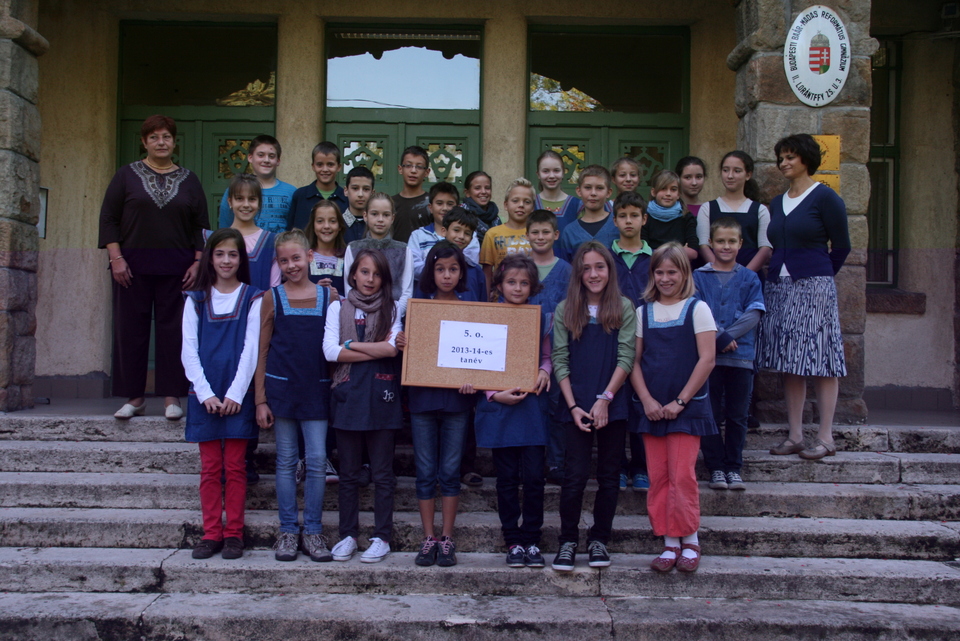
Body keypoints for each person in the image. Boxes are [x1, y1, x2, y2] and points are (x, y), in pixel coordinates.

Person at [99, 114, 208, 421]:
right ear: (144, 142)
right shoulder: (126, 175)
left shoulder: (189, 180)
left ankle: (172, 397)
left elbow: (201, 226)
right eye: (154, 137)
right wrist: (116, 259)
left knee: (174, 333)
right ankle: (135, 398)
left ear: (174, 142)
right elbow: (108, 219)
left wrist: (198, 263)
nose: (161, 142)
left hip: (179, 269)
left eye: (166, 137)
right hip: (130, 269)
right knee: (130, 331)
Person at [758, 133, 850, 461]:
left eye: (790, 157)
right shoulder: (777, 202)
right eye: (781, 157)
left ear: (806, 159)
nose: (783, 162)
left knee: (822, 358)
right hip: (780, 288)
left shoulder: (825, 197)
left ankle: (825, 437)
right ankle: (795, 435)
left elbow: (842, 246)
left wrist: (819, 275)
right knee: (789, 359)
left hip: (814, 286)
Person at [631, 243, 716, 573]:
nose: (665, 278)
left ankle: (690, 539)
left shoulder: (698, 309)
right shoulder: (643, 312)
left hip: (686, 409)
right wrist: (647, 401)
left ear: (684, 273)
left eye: (672, 272)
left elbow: (707, 359)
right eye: (659, 272)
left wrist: (680, 401)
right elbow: (634, 361)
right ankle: (669, 541)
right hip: (653, 410)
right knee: (659, 477)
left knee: (682, 476)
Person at [551, 242, 636, 572]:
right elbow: (560, 359)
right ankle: (568, 541)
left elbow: (626, 357)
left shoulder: (623, 307)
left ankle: (600, 539)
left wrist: (605, 399)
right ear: (578, 274)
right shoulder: (566, 309)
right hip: (576, 405)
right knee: (573, 477)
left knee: (609, 477)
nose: (593, 274)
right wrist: (573, 406)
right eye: (586, 268)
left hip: (612, 403)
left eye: (599, 266)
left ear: (609, 270)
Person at [181, 228, 263, 561]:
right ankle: (211, 533)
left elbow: (251, 349)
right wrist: (205, 394)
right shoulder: (196, 299)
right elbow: (188, 350)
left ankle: (234, 534)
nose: (226, 260)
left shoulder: (253, 297)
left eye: (233, 254)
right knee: (211, 468)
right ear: (210, 258)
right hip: (205, 397)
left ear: (241, 259)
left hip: (236, 396)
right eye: (219, 254)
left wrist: (235, 394)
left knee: (236, 467)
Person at [255, 230, 334, 562]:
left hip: (317, 390)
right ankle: (288, 530)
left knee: (316, 460)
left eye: (297, 258)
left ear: (310, 257)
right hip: (282, 391)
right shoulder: (272, 297)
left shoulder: (329, 297)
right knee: (286, 461)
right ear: (278, 263)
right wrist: (260, 399)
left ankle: (313, 531)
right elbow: (262, 351)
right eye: (284, 261)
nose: (291, 266)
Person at [399, 242, 477, 568]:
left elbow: (478, 356)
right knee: (425, 471)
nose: (446, 275)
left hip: (457, 401)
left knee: (449, 471)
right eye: (440, 269)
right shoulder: (416, 310)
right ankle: (428, 537)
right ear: (430, 272)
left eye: (453, 269)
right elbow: (408, 351)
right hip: (422, 399)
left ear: (461, 273)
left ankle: (447, 538)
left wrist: (474, 378)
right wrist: (401, 342)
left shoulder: (473, 311)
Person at [323, 249, 404, 563]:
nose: (370, 279)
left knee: (382, 473)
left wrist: (351, 345)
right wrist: (375, 348)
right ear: (353, 274)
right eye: (365, 272)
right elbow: (330, 352)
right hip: (347, 395)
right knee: (349, 474)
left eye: (377, 274)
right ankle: (348, 535)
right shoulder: (338, 307)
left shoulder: (392, 308)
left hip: (382, 395)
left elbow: (391, 350)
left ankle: (382, 537)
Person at [476, 254, 551, 568]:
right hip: (501, 408)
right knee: (506, 479)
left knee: (534, 478)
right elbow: (477, 359)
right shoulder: (487, 317)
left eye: (524, 283)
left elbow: (546, 356)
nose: (517, 288)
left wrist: (545, 370)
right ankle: (513, 541)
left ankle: (532, 539)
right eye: (511, 282)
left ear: (533, 286)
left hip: (531, 408)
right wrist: (494, 393)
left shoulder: (540, 318)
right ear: (499, 285)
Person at [694, 219, 765, 491]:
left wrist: (726, 336)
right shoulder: (699, 277)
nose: (726, 246)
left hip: (741, 358)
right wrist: (717, 336)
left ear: (740, 244)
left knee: (738, 415)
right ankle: (715, 467)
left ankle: (733, 467)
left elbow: (754, 312)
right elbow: (695, 308)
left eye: (731, 241)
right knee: (709, 413)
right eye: (720, 241)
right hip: (707, 358)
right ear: (710, 243)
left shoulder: (750, 277)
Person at [609, 190, 653, 493]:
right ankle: (618, 466)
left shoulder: (654, 258)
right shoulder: (606, 257)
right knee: (616, 403)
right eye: (623, 216)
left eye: (634, 215)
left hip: (646, 341)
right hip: (610, 338)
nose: (628, 221)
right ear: (614, 220)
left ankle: (641, 467)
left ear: (644, 219)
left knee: (640, 403)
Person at [525, 209, 572, 484]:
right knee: (527, 406)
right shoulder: (518, 267)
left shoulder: (567, 270)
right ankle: (528, 463)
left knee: (556, 406)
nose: (540, 237)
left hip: (557, 351)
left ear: (556, 235)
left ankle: (555, 463)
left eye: (546, 232)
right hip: (522, 351)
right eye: (535, 232)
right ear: (527, 235)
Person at [697, 151, 772, 272]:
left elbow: (765, 248)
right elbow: (704, 246)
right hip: (715, 276)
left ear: (748, 175)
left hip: (750, 278)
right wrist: (721, 271)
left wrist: (744, 275)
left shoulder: (760, 210)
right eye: (725, 170)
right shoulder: (707, 208)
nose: (730, 176)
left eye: (737, 171)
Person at [343, 192, 414, 317]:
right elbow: (349, 287)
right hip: (359, 317)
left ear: (392, 218)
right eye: (374, 214)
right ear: (365, 216)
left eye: (386, 215)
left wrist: (393, 316)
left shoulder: (403, 250)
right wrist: (362, 315)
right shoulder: (353, 248)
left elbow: (407, 291)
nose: (380, 219)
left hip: (393, 317)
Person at [217, 135, 296, 233]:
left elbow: (295, 230)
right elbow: (225, 227)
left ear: (278, 161)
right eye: (261, 155)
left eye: (271, 156)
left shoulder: (291, 192)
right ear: (250, 157)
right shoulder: (235, 189)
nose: (266, 160)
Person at [218, 173, 281, 293]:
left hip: (261, 303)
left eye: (252, 199)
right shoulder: (217, 240)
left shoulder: (271, 241)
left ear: (259, 203)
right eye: (239, 198)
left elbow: (274, 288)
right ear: (230, 202)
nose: (246, 205)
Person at [409, 182, 480, 282]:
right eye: (439, 203)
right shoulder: (418, 236)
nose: (445, 208)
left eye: (450, 204)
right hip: (426, 289)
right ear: (430, 208)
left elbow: (470, 265)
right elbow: (413, 268)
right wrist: (440, 267)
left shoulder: (469, 236)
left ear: (458, 207)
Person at [479, 178, 536, 296]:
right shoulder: (492, 234)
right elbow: (487, 273)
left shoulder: (537, 234)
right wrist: (486, 300)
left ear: (533, 207)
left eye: (527, 202)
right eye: (515, 201)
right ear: (506, 205)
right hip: (500, 298)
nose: (521, 205)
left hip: (532, 298)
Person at [556, 165, 619, 262]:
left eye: (599, 188)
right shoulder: (570, 232)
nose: (593, 193)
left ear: (608, 192)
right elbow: (567, 267)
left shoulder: (618, 225)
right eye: (588, 187)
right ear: (579, 191)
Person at [289, 142, 349, 231]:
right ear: (313, 166)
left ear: (339, 167)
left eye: (330, 164)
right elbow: (291, 230)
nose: (325, 169)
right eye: (320, 164)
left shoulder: (346, 198)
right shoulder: (300, 195)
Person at [645, 170, 699, 262]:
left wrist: (655, 251)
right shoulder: (645, 217)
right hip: (651, 266)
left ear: (678, 194)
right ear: (653, 192)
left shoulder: (686, 217)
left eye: (673, 189)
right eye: (663, 188)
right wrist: (680, 251)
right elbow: (643, 252)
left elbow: (693, 253)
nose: (668, 194)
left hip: (679, 267)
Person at [439, 207, 486, 304]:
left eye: (467, 233)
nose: (461, 236)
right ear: (444, 231)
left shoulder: (475, 271)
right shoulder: (432, 266)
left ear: (472, 238)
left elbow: (482, 305)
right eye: (456, 230)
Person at [305, 200, 347, 298]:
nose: (326, 226)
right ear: (313, 225)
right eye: (320, 221)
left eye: (332, 221)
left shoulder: (347, 256)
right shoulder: (304, 256)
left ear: (340, 226)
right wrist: (315, 292)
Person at [534, 150, 582, 233]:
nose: (551, 176)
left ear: (563, 172)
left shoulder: (577, 205)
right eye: (546, 171)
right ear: (538, 174)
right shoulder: (530, 204)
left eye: (556, 170)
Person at [391, 145, 432, 243]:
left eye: (419, 166)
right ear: (400, 169)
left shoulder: (433, 203)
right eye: (408, 165)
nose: (413, 171)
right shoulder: (390, 203)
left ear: (426, 172)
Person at [461, 170, 500, 245]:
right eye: (477, 188)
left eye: (487, 188)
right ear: (467, 193)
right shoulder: (460, 215)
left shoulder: (496, 217)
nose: (483, 192)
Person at [342, 166, 375, 243]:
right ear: (346, 191)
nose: (360, 194)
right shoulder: (337, 223)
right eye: (355, 188)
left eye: (366, 189)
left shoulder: (377, 224)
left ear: (372, 193)